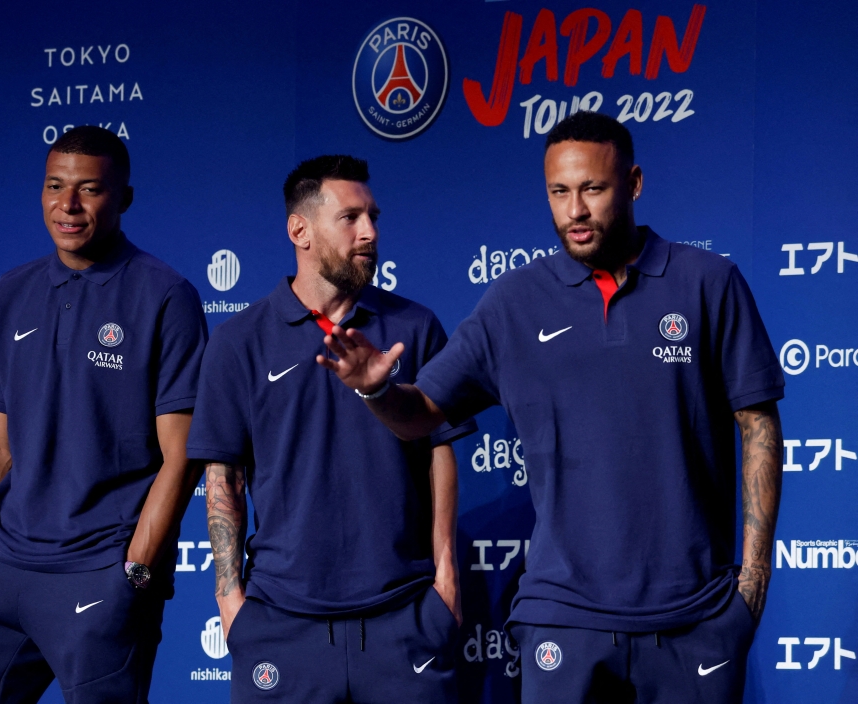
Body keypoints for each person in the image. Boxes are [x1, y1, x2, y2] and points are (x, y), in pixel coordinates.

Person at [319, 113, 784, 703]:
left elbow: (758, 426)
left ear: (634, 183)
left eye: (593, 189)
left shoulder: (708, 283)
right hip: (562, 617)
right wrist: (377, 389)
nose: (575, 211)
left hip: (694, 616)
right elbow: (420, 416)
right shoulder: (516, 301)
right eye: (559, 193)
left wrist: (751, 583)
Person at [0, 126, 209, 704]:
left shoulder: (165, 295)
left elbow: (184, 453)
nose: (67, 205)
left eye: (89, 189)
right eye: (55, 186)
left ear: (122, 197)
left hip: (99, 567)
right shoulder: (12, 291)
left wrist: (138, 571)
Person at [186, 155, 476, 703]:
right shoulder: (237, 341)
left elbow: (441, 450)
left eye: (373, 216)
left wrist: (446, 581)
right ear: (300, 230)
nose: (370, 232)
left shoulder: (414, 326)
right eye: (350, 218)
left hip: (405, 618)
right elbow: (223, 474)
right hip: (281, 624)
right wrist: (230, 600)